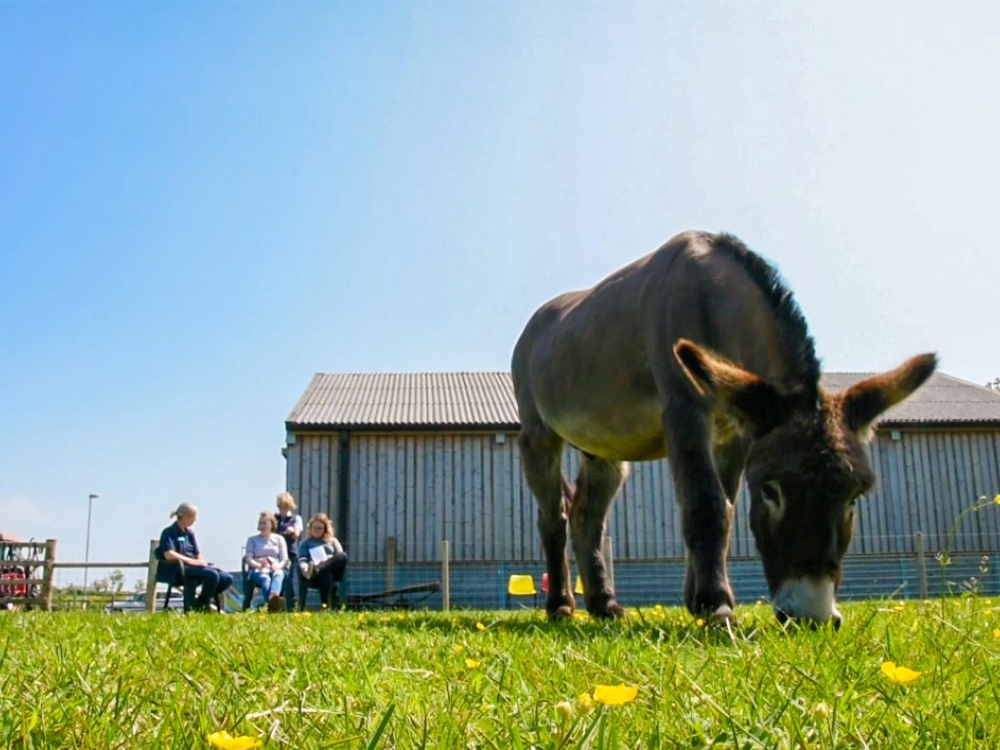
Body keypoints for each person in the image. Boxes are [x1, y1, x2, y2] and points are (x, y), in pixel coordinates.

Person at [158, 503, 234, 613]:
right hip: (177, 569)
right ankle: (201, 606)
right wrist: (191, 561)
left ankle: (200, 602)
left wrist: (201, 561)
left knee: (226, 578)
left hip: (195, 568)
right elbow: (169, 554)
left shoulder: (190, 533)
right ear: (187, 516)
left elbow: (197, 553)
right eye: (194, 517)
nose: (195, 520)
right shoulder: (169, 532)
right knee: (212, 575)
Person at [297, 513, 348, 611]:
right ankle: (326, 607)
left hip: (333, 571)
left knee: (343, 556)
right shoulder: (305, 543)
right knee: (326, 573)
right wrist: (305, 568)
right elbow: (302, 560)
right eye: (315, 528)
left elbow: (340, 557)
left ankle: (319, 568)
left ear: (325, 529)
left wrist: (326, 561)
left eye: (320, 528)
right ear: (310, 528)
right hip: (313, 576)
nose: (317, 530)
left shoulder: (332, 541)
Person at [244, 512, 288, 612]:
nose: (262, 526)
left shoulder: (279, 539)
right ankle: (273, 604)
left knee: (278, 574)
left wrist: (279, 566)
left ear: (271, 524)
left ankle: (274, 597)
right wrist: (258, 565)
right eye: (260, 523)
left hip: (275, 566)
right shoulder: (252, 540)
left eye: (265, 523)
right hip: (259, 569)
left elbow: (285, 559)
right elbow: (248, 558)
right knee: (266, 579)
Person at [275, 492, 303, 608]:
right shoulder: (274, 518)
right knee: (277, 578)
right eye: (281, 506)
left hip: (290, 553)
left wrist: (293, 530)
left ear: (291, 506)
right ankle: (277, 605)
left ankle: (291, 605)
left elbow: (297, 533)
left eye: (286, 506)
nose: (283, 509)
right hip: (275, 554)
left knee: (290, 579)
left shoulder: (296, 519)